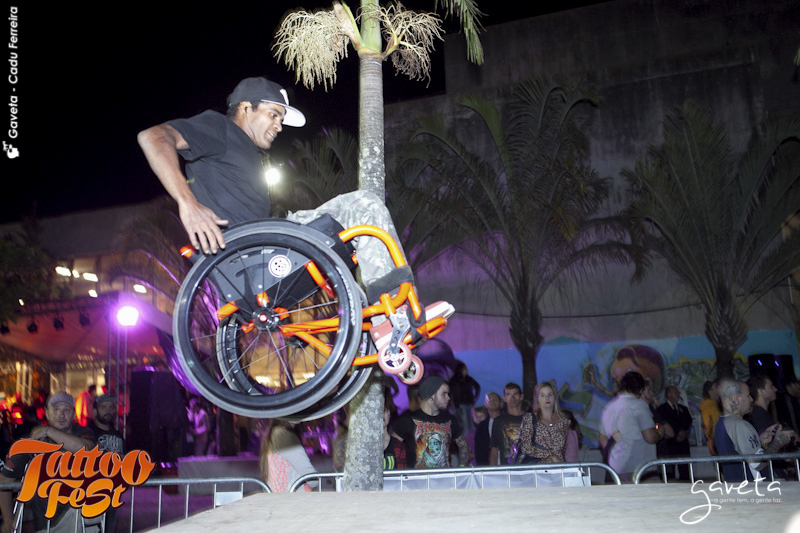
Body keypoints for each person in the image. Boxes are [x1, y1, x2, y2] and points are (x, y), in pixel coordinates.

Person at [137, 76, 453, 334]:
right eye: (273, 115)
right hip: (255, 249)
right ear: (246, 108)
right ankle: (393, 316)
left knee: (357, 228)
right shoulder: (220, 128)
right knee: (363, 205)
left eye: (281, 119)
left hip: (265, 245)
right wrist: (188, 204)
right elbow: (153, 137)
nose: (279, 125)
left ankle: (385, 318)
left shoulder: (248, 154)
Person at [0, 392, 96, 533]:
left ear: (74, 414)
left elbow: (86, 448)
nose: (61, 415)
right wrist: (8, 520)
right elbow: (4, 480)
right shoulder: (30, 440)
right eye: (55, 409)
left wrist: (48, 431)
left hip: (80, 518)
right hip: (46, 523)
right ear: (47, 412)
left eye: (66, 410)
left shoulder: (83, 432)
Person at [714, 379, 795, 482]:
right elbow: (757, 463)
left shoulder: (721, 423)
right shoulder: (740, 425)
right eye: (748, 395)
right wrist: (779, 442)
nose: (752, 399)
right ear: (736, 398)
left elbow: (738, 450)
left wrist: (759, 441)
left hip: (736, 486)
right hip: (752, 487)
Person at [392, 376, 470, 468]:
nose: (448, 398)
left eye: (448, 394)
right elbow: (392, 447)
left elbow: (463, 446)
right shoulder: (407, 420)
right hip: (416, 476)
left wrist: (462, 468)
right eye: (444, 394)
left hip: (444, 476)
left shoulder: (450, 419)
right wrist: (400, 471)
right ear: (431, 395)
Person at [599, 371, 663, 482]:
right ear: (640, 390)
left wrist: (616, 455)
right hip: (640, 467)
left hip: (616, 469)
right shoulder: (639, 405)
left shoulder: (609, 407)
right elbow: (650, 437)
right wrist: (660, 432)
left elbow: (602, 438)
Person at [90, 394, 123, 533]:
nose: (108, 411)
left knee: (109, 526)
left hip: (114, 489)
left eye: (111, 407)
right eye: (103, 407)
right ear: (95, 411)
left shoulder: (118, 434)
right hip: (93, 489)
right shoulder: (88, 432)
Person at [516, 382, 570, 464]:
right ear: (537, 398)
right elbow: (526, 447)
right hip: (537, 468)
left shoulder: (563, 421)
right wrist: (551, 456)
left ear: (555, 397)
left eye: (550, 394)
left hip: (559, 467)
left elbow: (564, 450)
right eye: (542, 395)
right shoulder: (529, 418)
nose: (547, 398)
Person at [259, 419, 317, 492]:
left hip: (279, 496)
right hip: (291, 497)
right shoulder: (283, 435)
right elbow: (312, 479)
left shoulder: (274, 433)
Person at [655, 385, 693, 480]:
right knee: (669, 474)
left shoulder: (683, 409)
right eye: (676, 392)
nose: (678, 394)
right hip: (669, 446)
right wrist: (676, 434)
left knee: (685, 472)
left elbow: (689, 421)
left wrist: (685, 433)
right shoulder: (661, 409)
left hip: (683, 446)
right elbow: (661, 424)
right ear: (669, 394)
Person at [489, 383, 524, 465]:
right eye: (509, 395)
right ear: (504, 398)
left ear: (521, 396)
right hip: (507, 469)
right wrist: (492, 471)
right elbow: (494, 450)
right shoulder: (498, 421)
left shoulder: (530, 418)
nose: (512, 398)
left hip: (528, 468)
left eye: (515, 394)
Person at [448, 363, 481, 433]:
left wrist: (475, 397)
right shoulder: (454, 380)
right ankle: (466, 438)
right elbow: (450, 393)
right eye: (465, 369)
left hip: (470, 403)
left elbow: (477, 386)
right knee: (464, 424)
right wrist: (452, 405)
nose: (466, 370)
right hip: (460, 404)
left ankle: (471, 438)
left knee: (471, 423)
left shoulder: (468, 379)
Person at [473, 392, 501, 466]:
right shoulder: (482, 427)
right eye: (490, 400)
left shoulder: (507, 422)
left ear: (500, 403)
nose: (492, 402)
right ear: (486, 404)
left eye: (495, 399)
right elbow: (479, 449)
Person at [700, 379, 721, 454]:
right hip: (717, 443)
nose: (719, 389)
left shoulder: (715, 405)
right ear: (710, 391)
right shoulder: (709, 407)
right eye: (716, 387)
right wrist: (712, 443)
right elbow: (710, 425)